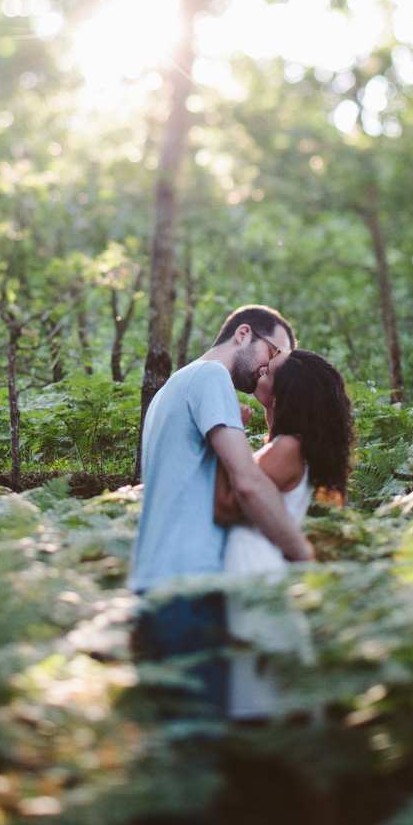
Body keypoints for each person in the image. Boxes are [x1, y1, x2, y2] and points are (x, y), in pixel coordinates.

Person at [129, 305, 314, 721]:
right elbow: (246, 481)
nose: (273, 367)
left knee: (173, 743)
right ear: (244, 334)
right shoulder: (212, 378)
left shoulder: (171, 389)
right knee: (198, 745)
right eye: (274, 352)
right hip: (190, 586)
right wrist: (302, 554)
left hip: (153, 583)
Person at [215, 349, 352, 720]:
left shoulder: (288, 448)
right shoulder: (286, 446)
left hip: (253, 564)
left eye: (269, 371)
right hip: (260, 563)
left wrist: (228, 433)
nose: (260, 369)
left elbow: (226, 501)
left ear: (284, 392)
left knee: (259, 695)